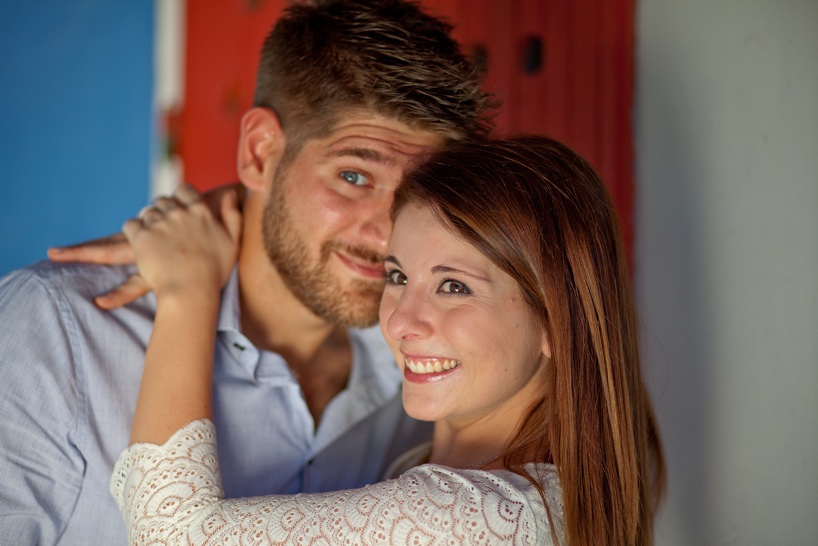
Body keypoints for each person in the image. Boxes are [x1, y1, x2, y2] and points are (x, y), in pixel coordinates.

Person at [0, 1, 494, 544]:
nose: (385, 236)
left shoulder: (427, 368)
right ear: (259, 153)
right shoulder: (56, 331)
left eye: (415, 195)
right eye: (354, 176)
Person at [110, 136, 665, 545]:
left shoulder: (469, 518)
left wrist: (187, 285)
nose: (400, 323)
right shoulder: (541, 482)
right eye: (398, 276)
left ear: (556, 323)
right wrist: (254, 207)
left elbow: (172, 534)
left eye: (453, 286)